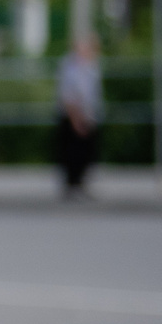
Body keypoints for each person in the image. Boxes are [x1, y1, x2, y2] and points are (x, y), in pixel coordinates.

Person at [57, 33, 103, 199]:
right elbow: (68, 96)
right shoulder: (70, 67)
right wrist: (76, 119)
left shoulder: (91, 67)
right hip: (74, 116)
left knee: (86, 152)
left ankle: (81, 183)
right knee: (72, 152)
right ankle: (72, 185)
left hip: (87, 116)